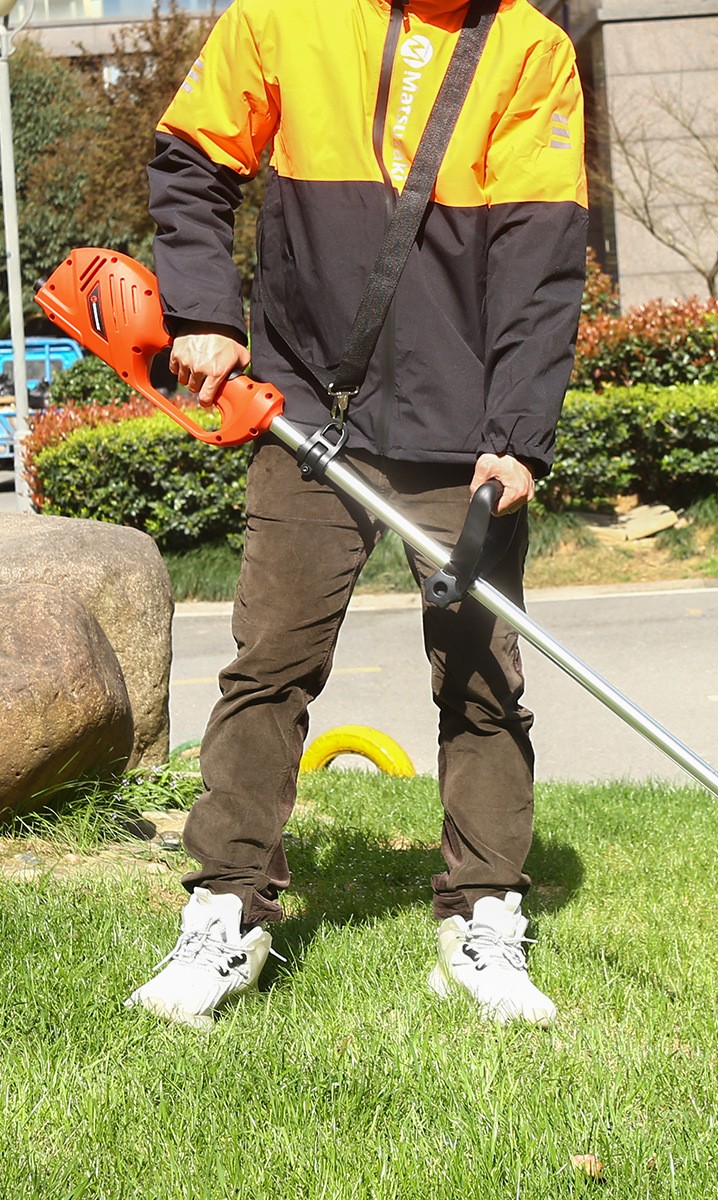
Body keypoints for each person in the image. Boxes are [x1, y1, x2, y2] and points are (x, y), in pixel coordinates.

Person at [125, 0, 588, 1029]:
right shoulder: (283, 16)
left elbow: (542, 258)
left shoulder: (531, 48)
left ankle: (483, 914)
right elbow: (191, 158)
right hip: (306, 410)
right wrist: (204, 312)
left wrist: (516, 433)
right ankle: (226, 910)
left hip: (466, 429)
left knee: (481, 681)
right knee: (271, 666)